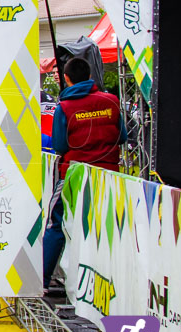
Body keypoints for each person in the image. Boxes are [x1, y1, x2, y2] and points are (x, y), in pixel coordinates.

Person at [44, 57, 126, 290]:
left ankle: (42, 281)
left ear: (67, 78)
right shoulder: (112, 101)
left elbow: (60, 145)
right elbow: (123, 137)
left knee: (57, 224)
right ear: (90, 76)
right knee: (107, 229)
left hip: (74, 173)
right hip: (108, 174)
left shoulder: (65, 107)